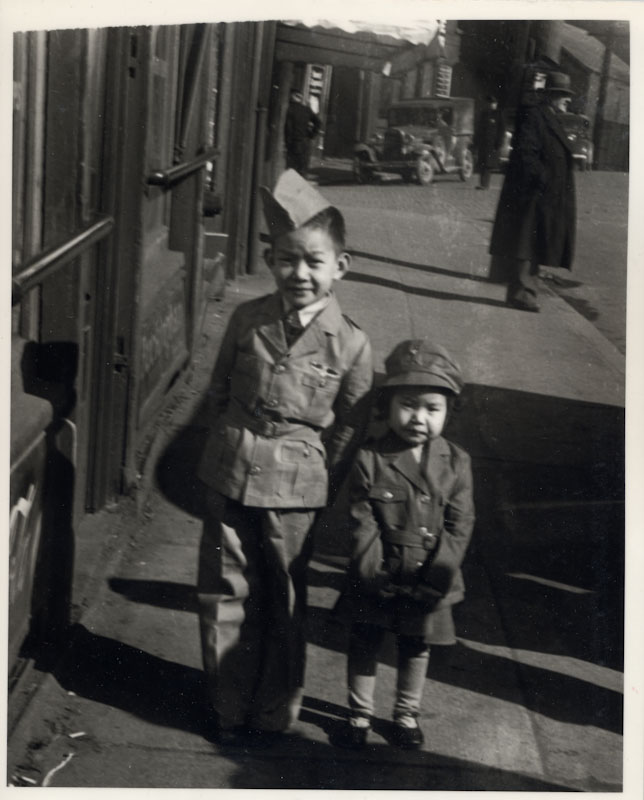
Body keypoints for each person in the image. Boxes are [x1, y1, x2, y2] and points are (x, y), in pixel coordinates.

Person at [196, 168, 373, 748]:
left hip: (296, 489)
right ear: (271, 261)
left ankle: (274, 713)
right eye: (285, 259)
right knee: (223, 591)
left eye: (313, 262)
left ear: (339, 268)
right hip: (230, 470)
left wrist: (323, 484)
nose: (299, 273)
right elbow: (219, 393)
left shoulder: (350, 343)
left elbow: (349, 427)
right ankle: (226, 705)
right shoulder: (248, 320)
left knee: (285, 600)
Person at [333, 340, 475, 750]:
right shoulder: (370, 459)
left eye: (433, 409)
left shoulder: (456, 462)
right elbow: (362, 524)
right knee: (365, 641)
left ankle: (406, 714)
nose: (419, 418)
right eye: (408, 405)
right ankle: (359, 713)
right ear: (387, 406)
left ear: (448, 412)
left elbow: (460, 525)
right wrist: (374, 577)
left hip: (430, 576)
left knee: (416, 645)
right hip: (378, 572)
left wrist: (434, 582)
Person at [489, 70, 577, 312]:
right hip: (533, 194)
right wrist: (543, 178)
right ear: (551, 96)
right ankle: (521, 294)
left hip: (543, 195)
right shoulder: (535, 116)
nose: (568, 101)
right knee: (525, 245)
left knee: (533, 244)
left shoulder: (549, 116)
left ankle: (524, 292)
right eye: (563, 96)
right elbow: (526, 153)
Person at [284, 89, 322, 177]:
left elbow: (288, 129)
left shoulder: (290, 109)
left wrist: (287, 143)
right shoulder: (306, 109)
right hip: (305, 143)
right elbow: (318, 122)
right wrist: (311, 135)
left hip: (294, 143)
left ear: (292, 96)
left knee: (292, 170)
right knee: (302, 169)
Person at [475, 94, 505, 189]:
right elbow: (479, 128)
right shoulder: (484, 114)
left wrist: (499, 143)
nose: (491, 105)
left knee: (488, 165)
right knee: (482, 163)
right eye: (489, 103)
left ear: (496, 104)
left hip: (492, 144)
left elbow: (501, 130)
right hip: (483, 144)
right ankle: (482, 184)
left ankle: (485, 185)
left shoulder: (499, 114)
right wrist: (476, 141)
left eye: (493, 103)